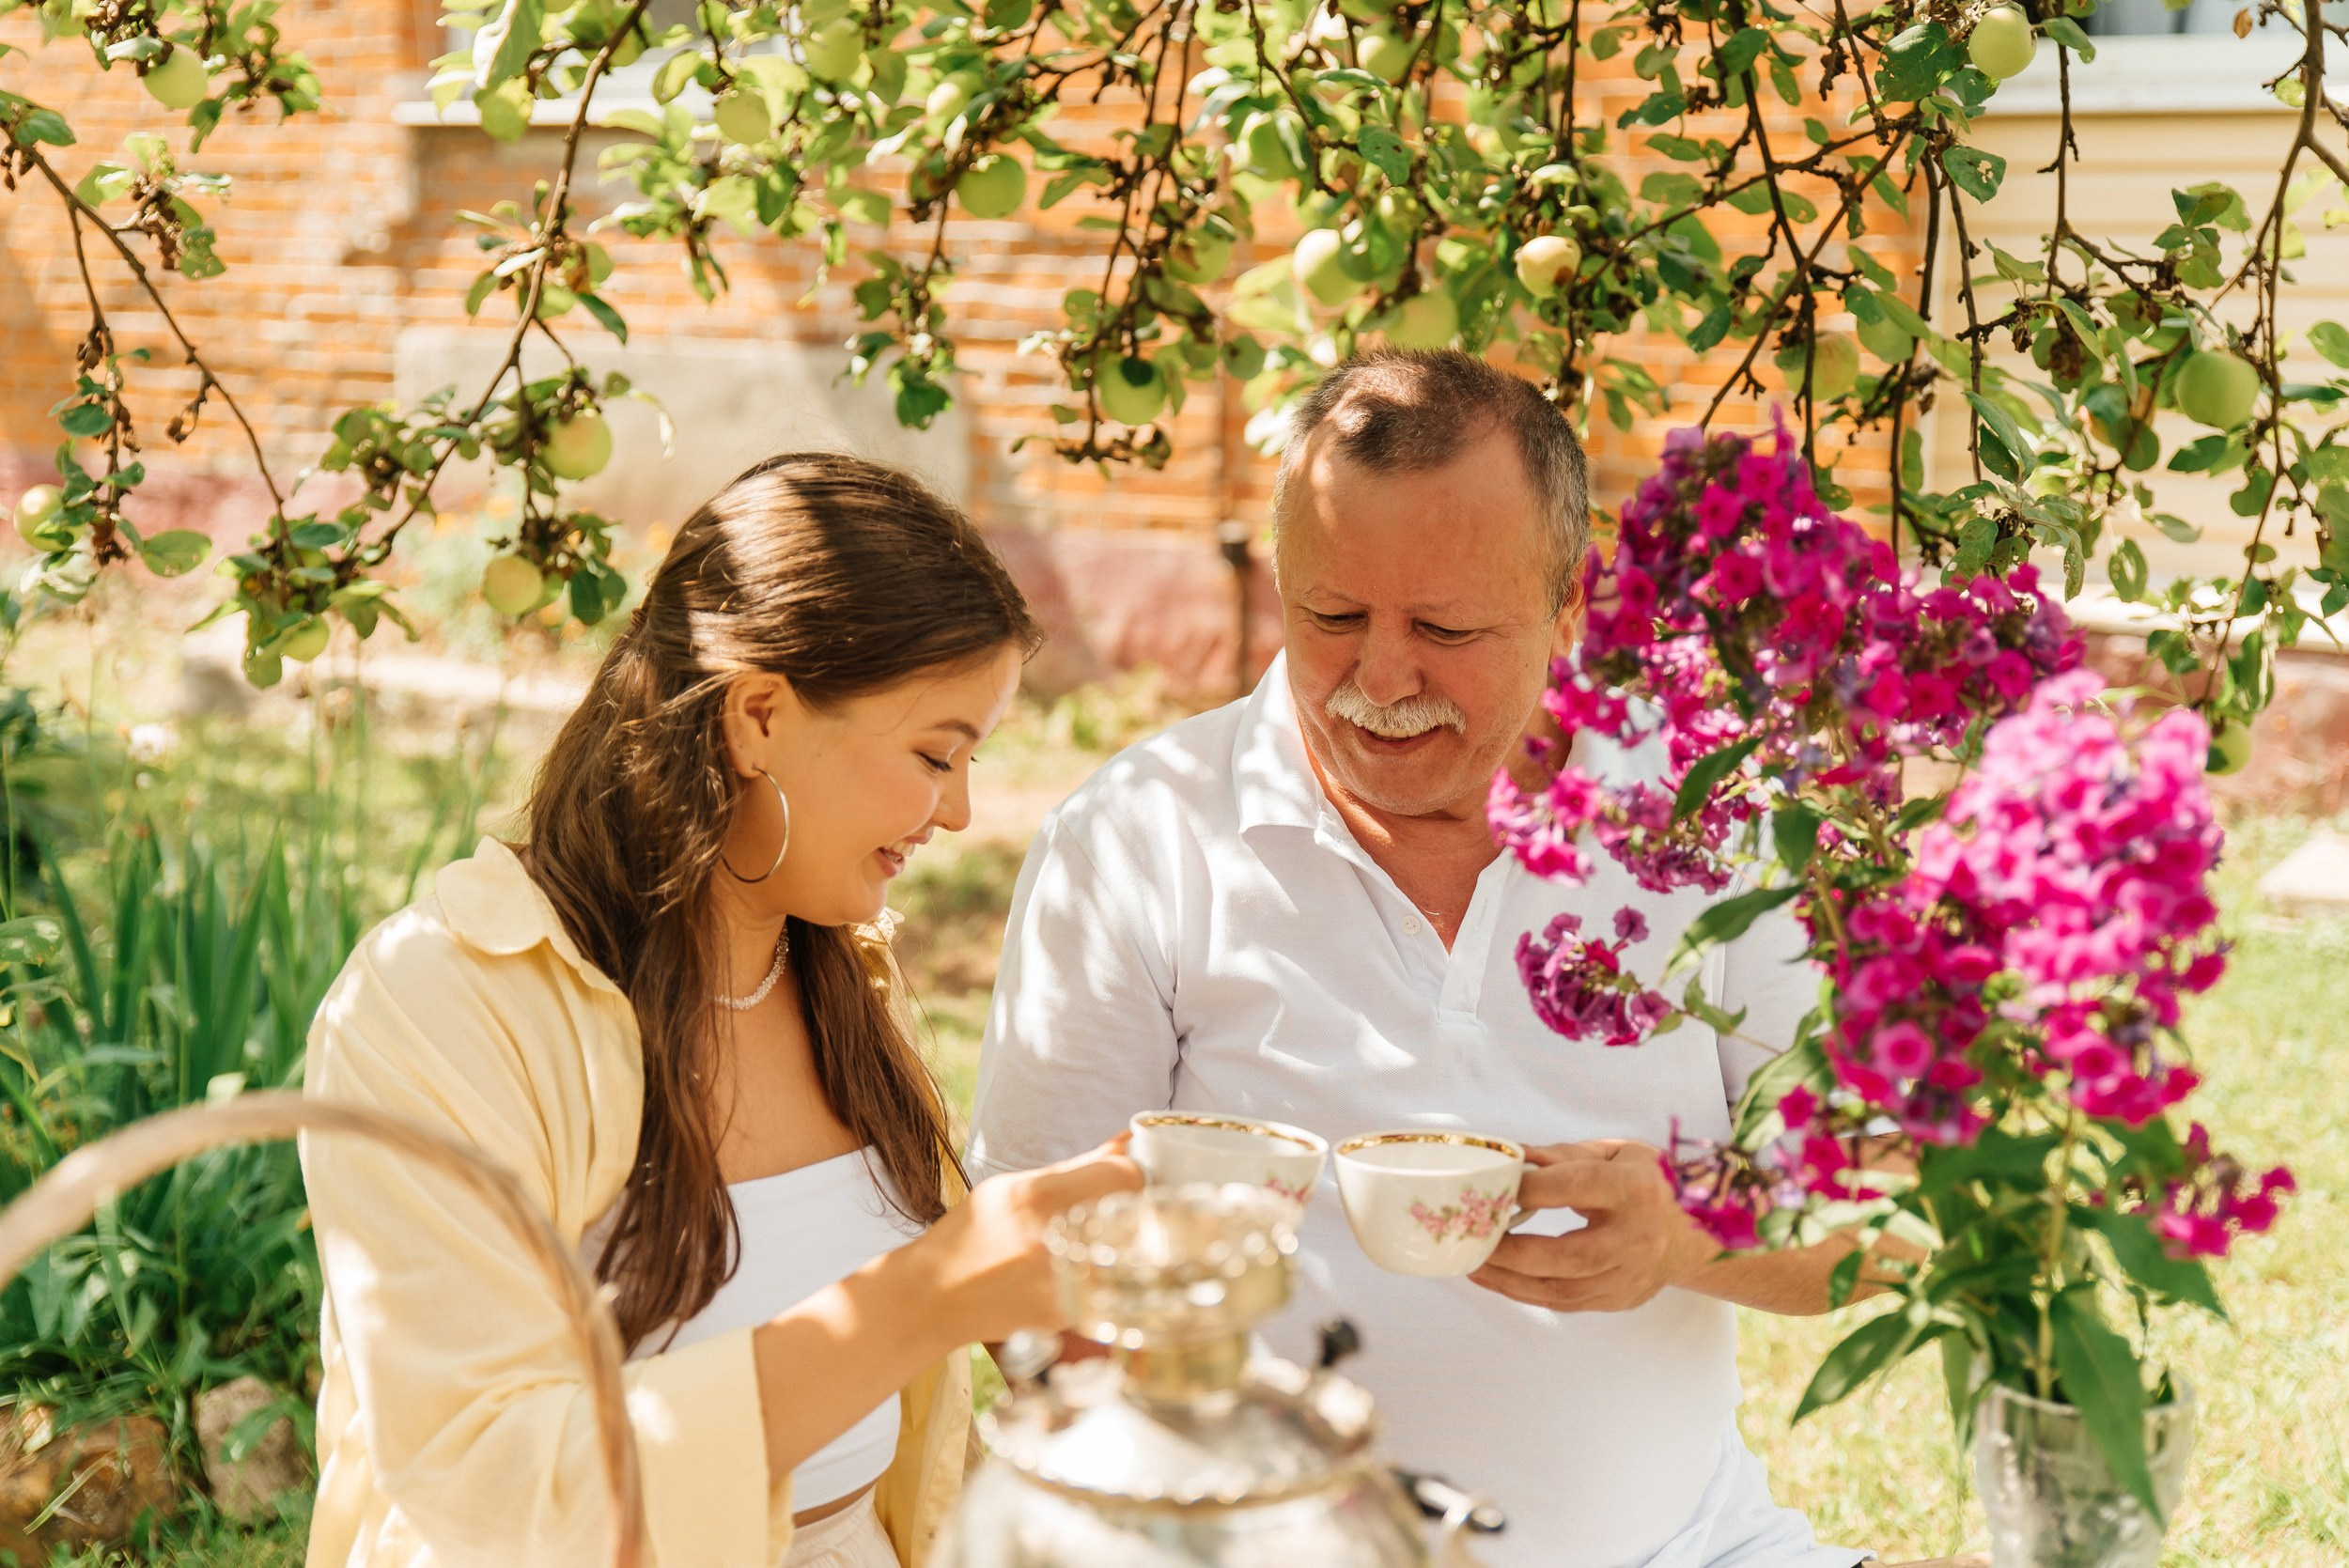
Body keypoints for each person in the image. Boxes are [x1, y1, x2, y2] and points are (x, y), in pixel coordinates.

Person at [968, 351, 1871, 1568]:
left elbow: (1882, 1211)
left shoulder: (1713, 825)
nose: (1378, 679)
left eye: (1444, 628)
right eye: (1330, 616)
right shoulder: (1140, 838)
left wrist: (1684, 1243)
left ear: (1569, 608)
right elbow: (1028, 1270)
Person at [301, 454, 1138, 1568]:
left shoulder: (841, 980)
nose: (960, 809)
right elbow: (489, 1484)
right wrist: (924, 1296)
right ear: (757, 717)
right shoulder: (437, 1008)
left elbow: (896, 1442)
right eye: (937, 752)